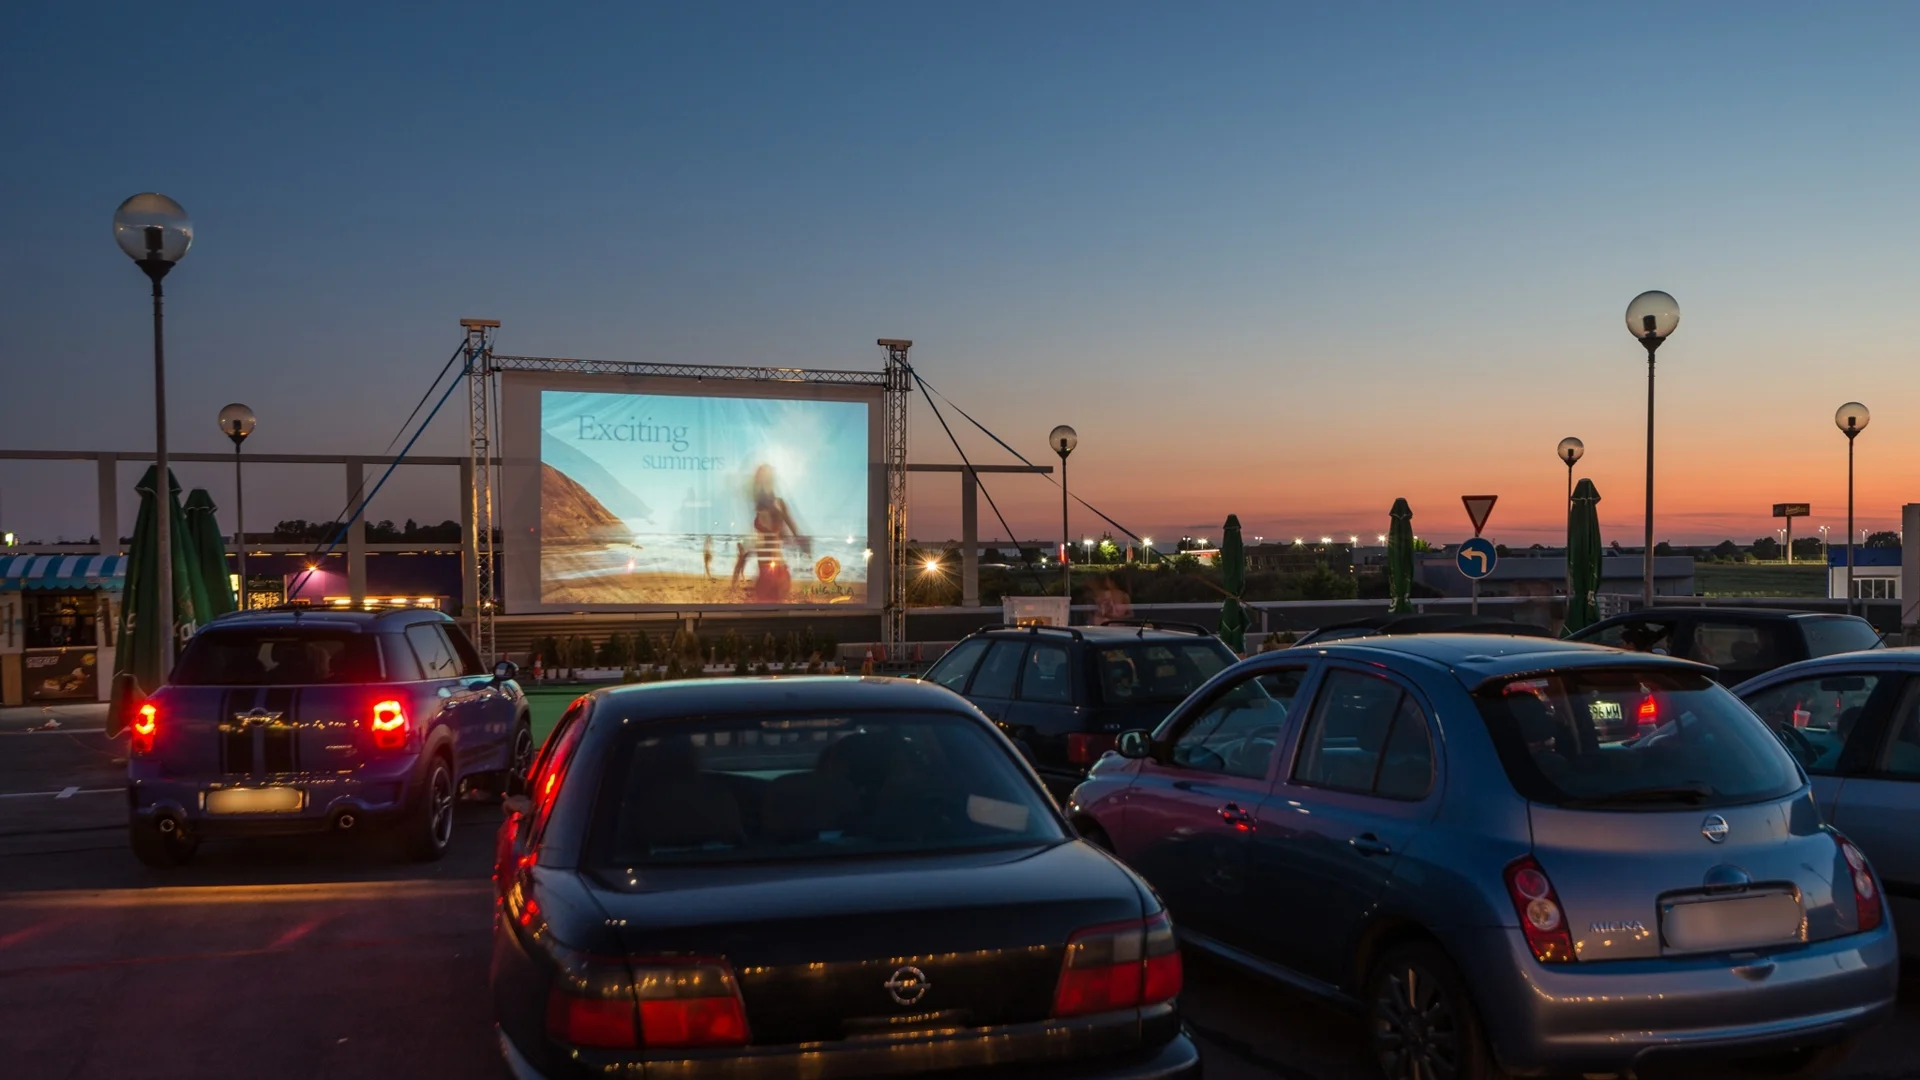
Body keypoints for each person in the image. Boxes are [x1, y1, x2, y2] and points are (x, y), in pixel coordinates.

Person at [731, 464, 809, 602]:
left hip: (776, 572)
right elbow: (761, 541)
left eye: (766, 480)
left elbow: (792, 532)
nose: (763, 485)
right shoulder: (763, 509)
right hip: (767, 574)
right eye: (760, 481)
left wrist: (802, 546)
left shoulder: (778, 505)